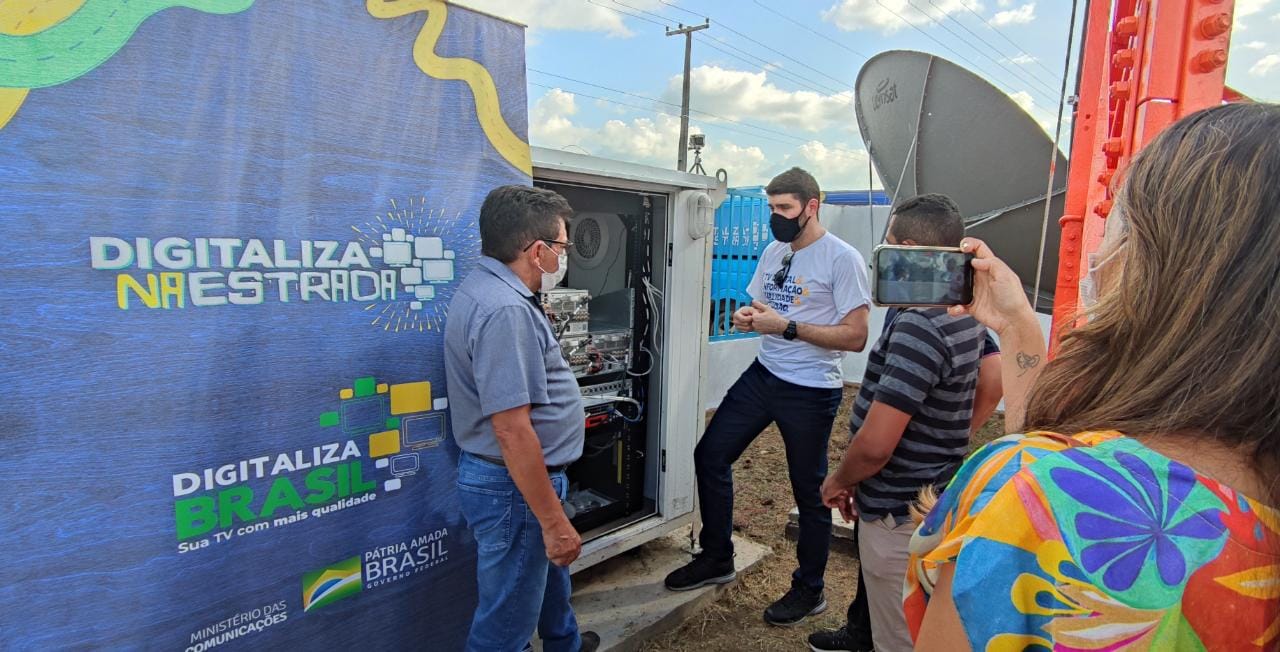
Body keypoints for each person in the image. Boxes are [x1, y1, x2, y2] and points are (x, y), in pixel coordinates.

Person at [907, 103, 1280, 651]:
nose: (1101, 251)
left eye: (1116, 223)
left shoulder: (1031, 494)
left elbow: (1044, 487)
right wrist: (1017, 326)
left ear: (1154, 261)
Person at [664, 167, 872, 627]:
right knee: (710, 455)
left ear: (811, 206)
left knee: (809, 491)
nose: (775, 216)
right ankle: (717, 556)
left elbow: (856, 336)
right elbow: (764, 307)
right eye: (771, 206)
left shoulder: (843, 259)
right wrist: (749, 316)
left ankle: (810, 590)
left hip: (811, 389)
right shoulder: (776, 250)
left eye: (784, 208)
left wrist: (787, 327)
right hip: (765, 375)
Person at [811, 193, 986, 652]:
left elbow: (876, 445)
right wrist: (950, 438)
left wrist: (839, 481)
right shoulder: (965, 308)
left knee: (899, 637)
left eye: (888, 243)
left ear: (907, 251)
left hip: (898, 510)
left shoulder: (919, 324)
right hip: (936, 497)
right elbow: (993, 377)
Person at [444, 185, 600, 652]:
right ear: (537, 251)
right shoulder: (505, 310)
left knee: (550, 587)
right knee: (505, 625)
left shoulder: (491, 292)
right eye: (562, 247)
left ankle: (565, 644)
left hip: (519, 484)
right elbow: (512, 430)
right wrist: (554, 522)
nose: (563, 257)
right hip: (515, 488)